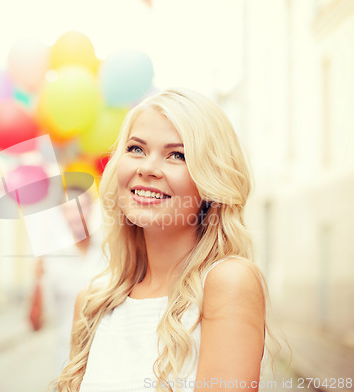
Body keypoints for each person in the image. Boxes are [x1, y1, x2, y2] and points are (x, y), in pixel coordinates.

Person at [49, 88, 272, 392]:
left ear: (210, 181)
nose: (147, 168)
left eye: (177, 155)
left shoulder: (227, 283)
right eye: (136, 149)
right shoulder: (91, 304)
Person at [41, 186, 107, 373]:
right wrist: (37, 281)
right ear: (62, 215)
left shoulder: (111, 252)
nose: (75, 215)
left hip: (106, 357)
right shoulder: (52, 260)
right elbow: (37, 322)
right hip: (67, 361)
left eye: (81, 207)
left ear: (91, 209)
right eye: (68, 210)